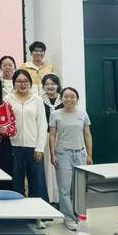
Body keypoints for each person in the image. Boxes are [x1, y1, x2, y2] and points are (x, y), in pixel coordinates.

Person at [49, 87, 93, 231]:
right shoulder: (55, 114)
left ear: (77, 99)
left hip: (80, 153)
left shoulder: (82, 114)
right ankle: (68, 217)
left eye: (72, 97)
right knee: (64, 188)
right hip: (63, 153)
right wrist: (53, 154)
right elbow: (52, 135)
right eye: (66, 97)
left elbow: (87, 135)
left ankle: (78, 215)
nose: (69, 99)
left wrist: (89, 154)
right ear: (61, 98)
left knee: (78, 188)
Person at [4, 70, 48, 201]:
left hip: (33, 146)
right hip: (13, 145)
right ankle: (17, 210)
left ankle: (39, 211)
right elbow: (5, 122)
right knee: (15, 180)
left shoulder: (37, 100)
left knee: (37, 182)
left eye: (25, 81)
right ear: (14, 83)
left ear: (30, 83)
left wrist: (40, 148)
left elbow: (42, 125)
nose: (22, 84)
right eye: (19, 81)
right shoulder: (7, 99)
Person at [41, 73, 63, 205]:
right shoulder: (39, 100)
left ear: (57, 85)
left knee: (60, 166)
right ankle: (49, 197)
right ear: (43, 87)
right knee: (47, 167)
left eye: (52, 84)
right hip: (46, 137)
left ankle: (60, 197)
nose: (50, 86)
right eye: (47, 84)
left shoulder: (64, 99)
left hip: (62, 137)